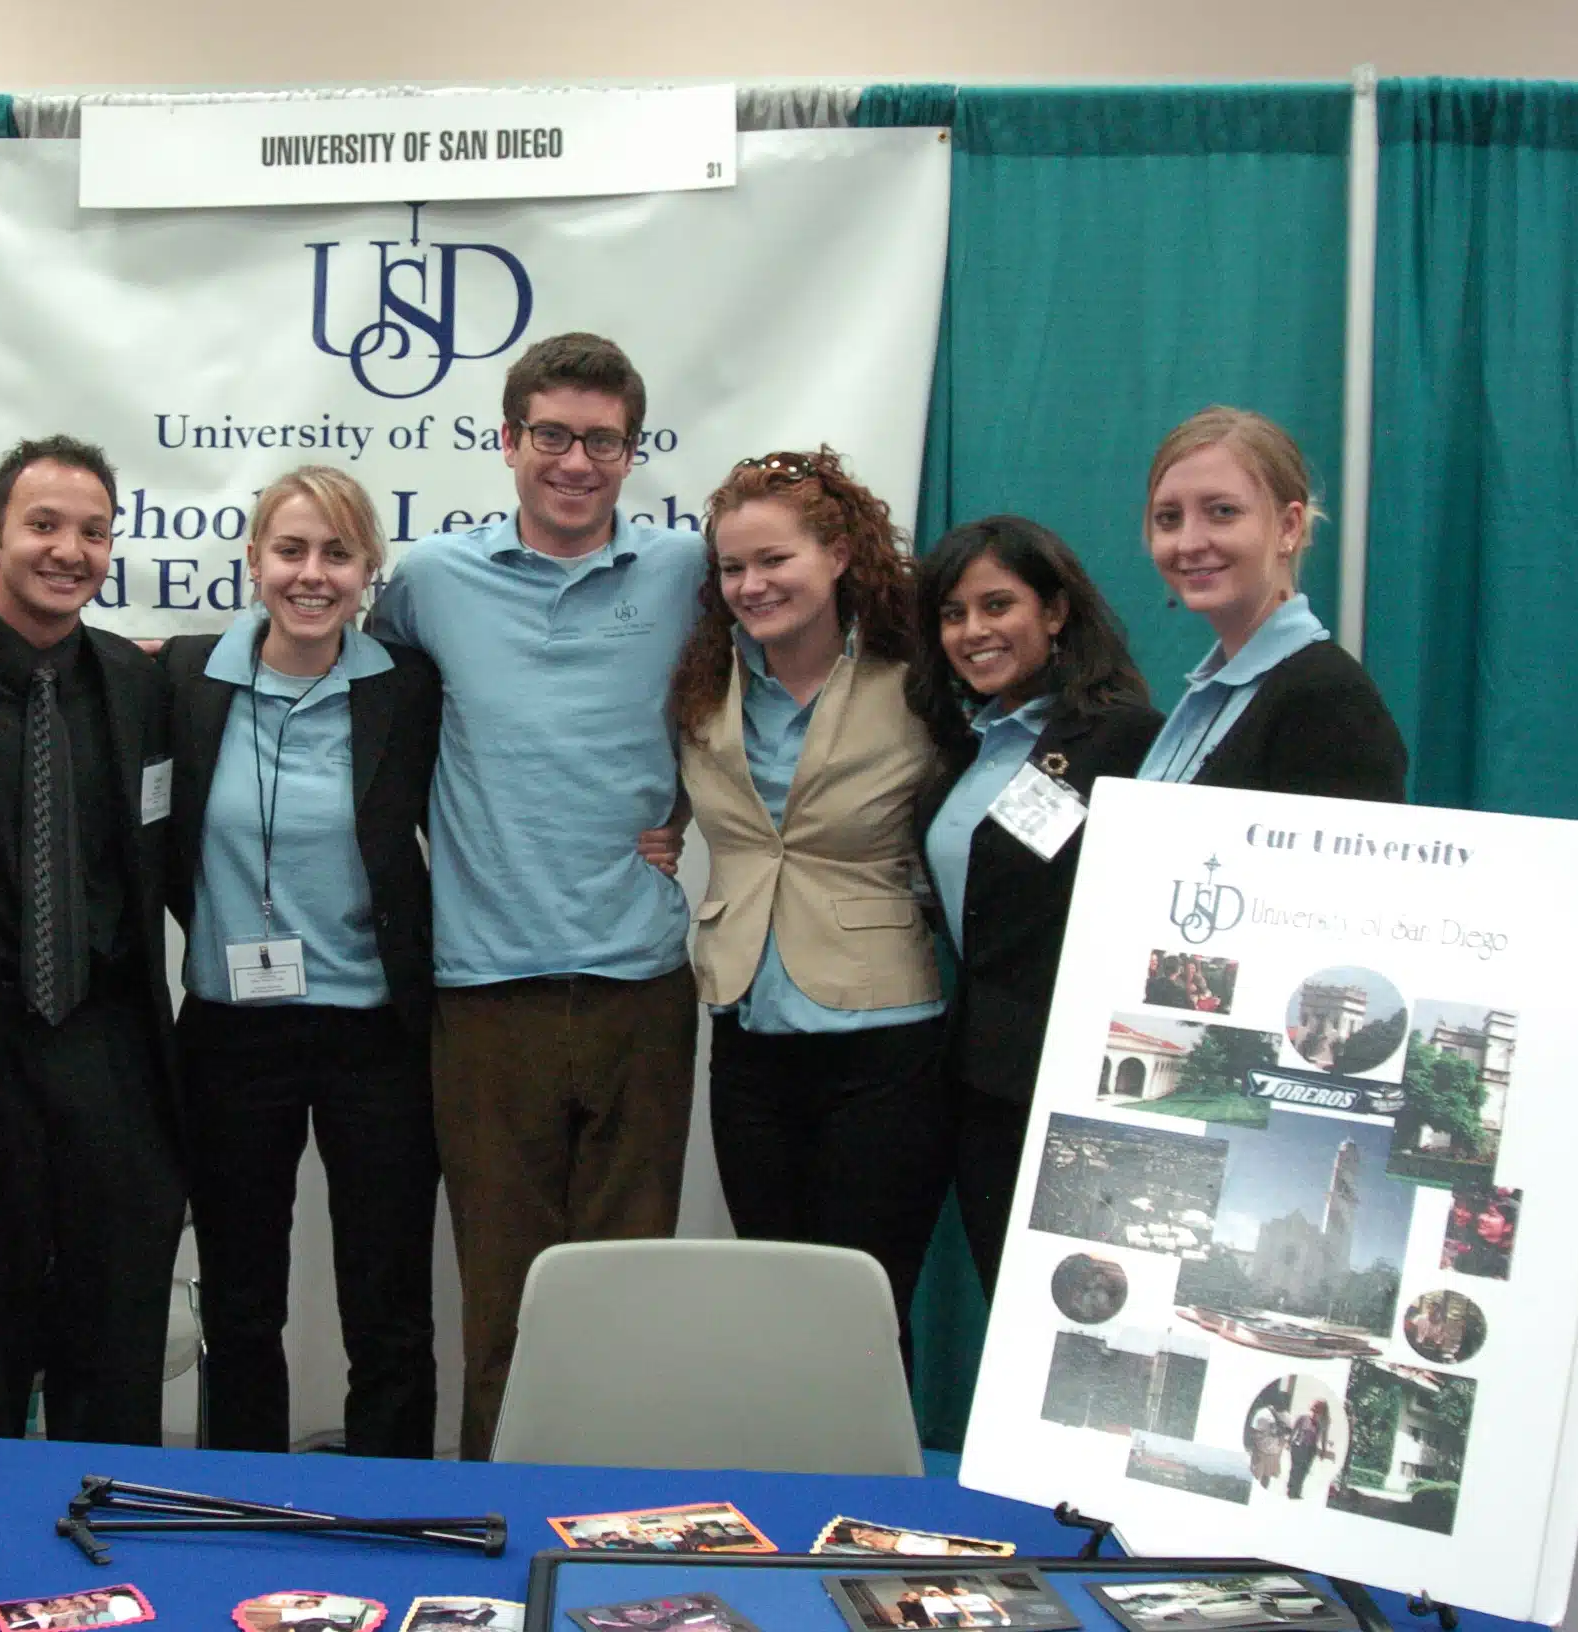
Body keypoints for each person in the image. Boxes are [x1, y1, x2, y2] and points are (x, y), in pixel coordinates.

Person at [367, 333, 705, 1458]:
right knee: (501, 1304)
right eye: (551, 435)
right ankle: (503, 1536)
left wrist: (691, 818)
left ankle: (620, 1529)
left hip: (641, 992)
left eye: (601, 440)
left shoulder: (684, 574)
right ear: (507, 442)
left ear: (631, 451)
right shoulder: (426, 582)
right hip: (485, 995)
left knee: (623, 1301)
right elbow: (369, 725)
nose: (575, 461)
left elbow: (748, 711)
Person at [0, 435, 185, 1446]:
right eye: (44, 525)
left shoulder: (140, 687)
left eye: (92, 532)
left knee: (117, 1364)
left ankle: (112, 1586)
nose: (69, 550)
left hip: (110, 1060)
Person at [161, 466, 443, 1458]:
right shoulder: (185, 681)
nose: (311, 574)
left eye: (336, 552)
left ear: (369, 569)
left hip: (376, 1030)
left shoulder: (408, 690)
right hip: (233, 1033)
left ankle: (396, 1499)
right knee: (241, 1297)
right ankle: (245, 1500)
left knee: (388, 1300)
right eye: (290, 550)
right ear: (253, 561)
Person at [669, 448, 948, 1357]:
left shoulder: (918, 675)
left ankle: (875, 1497)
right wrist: (659, 829)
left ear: (837, 555)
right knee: (776, 1304)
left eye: (774, 560)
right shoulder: (707, 681)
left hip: (885, 1034)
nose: (752, 585)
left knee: (865, 1311)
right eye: (734, 568)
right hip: (748, 1030)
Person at [907, 515, 1161, 1296]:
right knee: (1008, 1305)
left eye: (997, 606)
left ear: (1054, 612)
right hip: (984, 1085)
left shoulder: (1124, 740)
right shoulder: (962, 749)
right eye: (953, 615)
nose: (973, 632)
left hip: (1083, 1091)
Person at [1135, 407, 1406, 797]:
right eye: (1168, 518)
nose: (1189, 542)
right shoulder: (1220, 692)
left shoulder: (1326, 699)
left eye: (1222, 512)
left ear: (1288, 527)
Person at [1286, 1398, 1334, 1499]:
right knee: (1295, 1469)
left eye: (1318, 1411)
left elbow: (1324, 1437)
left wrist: (1324, 1450)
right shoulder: (1303, 1418)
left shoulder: (1323, 1423)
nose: (1315, 1413)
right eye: (1314, 1409)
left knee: (1304, 1470)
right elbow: (1294, 1430)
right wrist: (1289, 1442)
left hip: (1310, 1449)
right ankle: (1291, 1490)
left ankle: (1296, 1491)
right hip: (1298, 1446)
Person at [1248, 1397, 1288, 1488]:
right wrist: (1254, 1450)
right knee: (1254, 1475)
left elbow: (1287, 1433)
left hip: (1274, 1452)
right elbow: (1254, 1432)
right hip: (1260, 1450)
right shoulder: (1262, 1414)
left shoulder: (1286, 1416)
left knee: (1267, 1476)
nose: (1283, 1406)